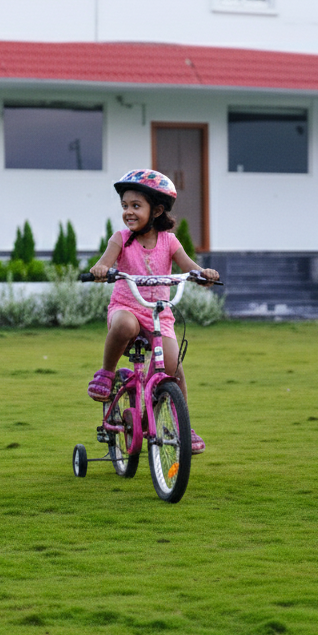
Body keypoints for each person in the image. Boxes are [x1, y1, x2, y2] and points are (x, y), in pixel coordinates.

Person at [87, 169, 219, 455]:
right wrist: (100, 270)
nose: (128, 212)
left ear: (156, 210)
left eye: (136, 206)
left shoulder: (169, 242)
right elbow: (104, 262)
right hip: (127, 307)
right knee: (123, 326)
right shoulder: (120, 239)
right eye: (125, 206)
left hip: (160, 314)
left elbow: (190, 268)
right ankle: (107, 374)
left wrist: (202, 274)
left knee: (172, 366)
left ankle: (180, 425)